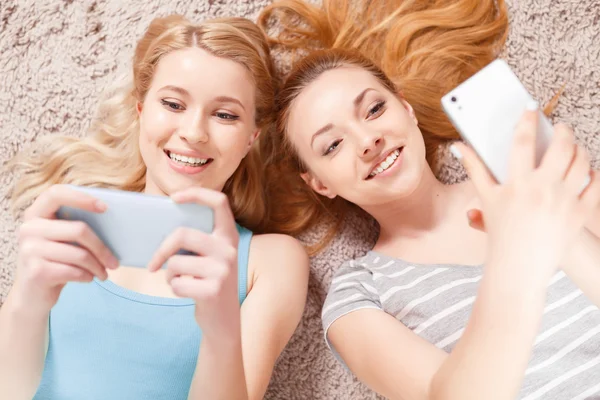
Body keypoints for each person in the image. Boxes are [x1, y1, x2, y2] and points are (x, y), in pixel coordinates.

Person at [258, 0, 600, 398]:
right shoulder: (358, 294)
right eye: (333, 145)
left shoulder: (536, 183)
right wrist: (516, 262)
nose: (368, 141)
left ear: (406, 109)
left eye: (374, 109)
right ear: (319, 183)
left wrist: (557, 226)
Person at [0, 14, 309, 400]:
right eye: (173, 104)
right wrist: (28, 299)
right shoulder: (73, 219)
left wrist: (220, 327)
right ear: (141, 110)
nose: (194, 132)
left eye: (225, 115)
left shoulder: (269, 261)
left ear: (251, 138)